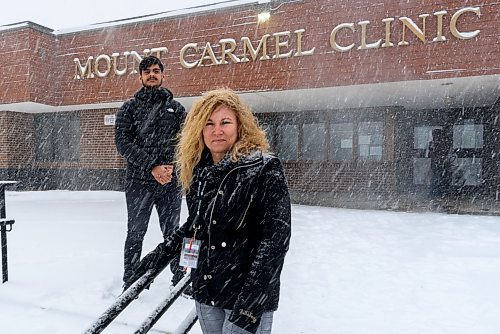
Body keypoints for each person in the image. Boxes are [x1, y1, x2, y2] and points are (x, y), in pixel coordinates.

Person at [126, 88, 292, 334]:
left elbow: (276, 240)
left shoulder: (264, 168)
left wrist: (250, 303)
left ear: (240, 125)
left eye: (225, 122)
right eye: (209, 123)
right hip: (207, 289)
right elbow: (196, 225)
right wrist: (158, 257)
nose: (217, 130)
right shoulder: (200, 171)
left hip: (245, 296)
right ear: (199, 129)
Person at [115, 55, 186, 288]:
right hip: (139, 183)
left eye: (156, 70)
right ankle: (132, 279)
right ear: (141, 77)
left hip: (170, 182)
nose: (152, 74)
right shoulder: (129, 109)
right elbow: (123, 143)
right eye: (147, 72)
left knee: (174, 233)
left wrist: (170, 168)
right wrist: (152, 166)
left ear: (163, 75)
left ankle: (180, 276)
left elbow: (186, 143)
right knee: (135, 232)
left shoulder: (176, 109)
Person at [428, 128, 450, 199]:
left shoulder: (435, 143)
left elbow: (430, 154)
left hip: (438, 163)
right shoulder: (439, 143)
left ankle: (435, 192)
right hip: (439, 163)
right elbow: (430, 154)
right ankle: (438, 192)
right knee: (438, 177)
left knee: (437, 177)